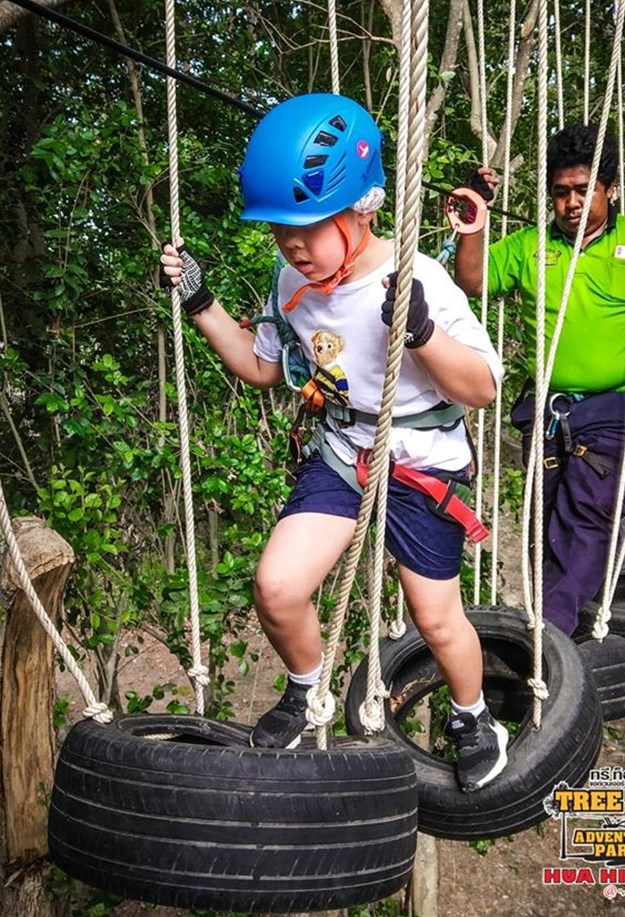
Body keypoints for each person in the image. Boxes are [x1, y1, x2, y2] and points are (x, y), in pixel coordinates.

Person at [161, 93, 508, 792]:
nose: (291, 245)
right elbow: (263, 367)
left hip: (420, 467)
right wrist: (202, 305)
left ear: (364, 207)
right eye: (278, 231)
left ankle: (476, 717)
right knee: (278, 586)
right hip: (345, 456)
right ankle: (306, 688)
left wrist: (422, 334)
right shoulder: (294, 279)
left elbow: (483, 387)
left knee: (436, 621)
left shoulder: (421, 280)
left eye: (308, 227)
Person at [454, 123, 625, 636]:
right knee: (545, 525)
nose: (571, 202)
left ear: (609, 189)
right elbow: (474, 280)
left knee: (586, 514)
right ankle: (561, 627)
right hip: (552, 412)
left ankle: (547, 641)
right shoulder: (531, 246)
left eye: (583, 190)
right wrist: (475, 218)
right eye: (561, 192)